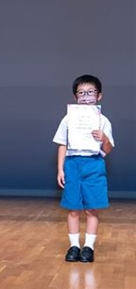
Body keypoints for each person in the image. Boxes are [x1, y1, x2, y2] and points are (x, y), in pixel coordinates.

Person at [53, 74, 114, 263]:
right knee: (73, 208)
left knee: (92, 209)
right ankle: (74, 246)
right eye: (81, 93)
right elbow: (62, 144)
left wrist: (104, 139)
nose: (86, 97)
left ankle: (88, 247)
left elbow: (108, 149)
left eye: (90, 92)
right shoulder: (68, 119)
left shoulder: (103, 121)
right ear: (75, 96)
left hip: (94, 164)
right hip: (72, 164)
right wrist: (60, 169)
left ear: (99, 95)